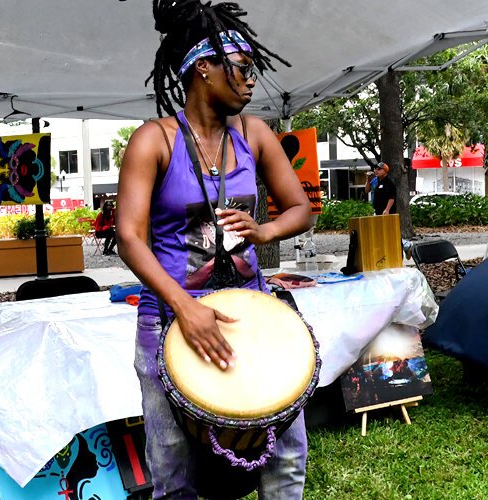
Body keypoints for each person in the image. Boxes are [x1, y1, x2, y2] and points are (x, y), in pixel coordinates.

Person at [115, 1, 311, 496]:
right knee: (173, 469)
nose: (250, 82)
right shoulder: (154, 141)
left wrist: (264, 232)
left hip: (252, 314)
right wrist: (185, 308)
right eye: (243, 68)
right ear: (203, 66)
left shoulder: (255, 134)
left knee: (286, 457)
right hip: (171, 320)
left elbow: (300, 209)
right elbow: (129, 237)